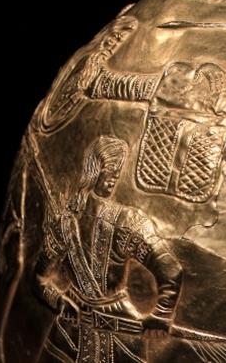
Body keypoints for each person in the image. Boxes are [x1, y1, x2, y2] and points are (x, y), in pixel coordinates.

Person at [34, 135, 184, 363]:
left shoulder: (127, 221)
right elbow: (39, 278)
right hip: (72, 326)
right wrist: (60, 301)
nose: (114, 176)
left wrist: (160, 317)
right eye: (109, 169)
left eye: (117, 169)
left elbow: (171, 269)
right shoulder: (65, 223)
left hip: (119, 327)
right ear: (94, 170)